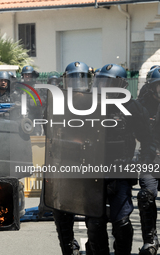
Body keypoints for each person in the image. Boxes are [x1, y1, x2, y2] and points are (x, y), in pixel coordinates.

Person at [85, 64, 154, 255]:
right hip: (94, 172)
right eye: (101, 82)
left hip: (121, 172)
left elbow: (146, 139)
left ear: (121, 85)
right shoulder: (89, 106)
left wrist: (146, 164)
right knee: (95, 222)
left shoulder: (133, 107)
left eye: (108, 83)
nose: (103, 87)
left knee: (121, 221)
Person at [51, 61, 93, 255]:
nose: (77, 83)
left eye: (81, 78)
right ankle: (68, 245)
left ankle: (94, 243)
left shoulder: (96, 100)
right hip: (65, 160)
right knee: (61, 207)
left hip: (91, 160)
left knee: (92, 205)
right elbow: (49, 130)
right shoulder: (57, 101)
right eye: (73, 79)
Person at [136, 67, 160, 255]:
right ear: (152, 88)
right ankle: (150, 240)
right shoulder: (141, 106)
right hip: (150, 158)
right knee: (145, 195)